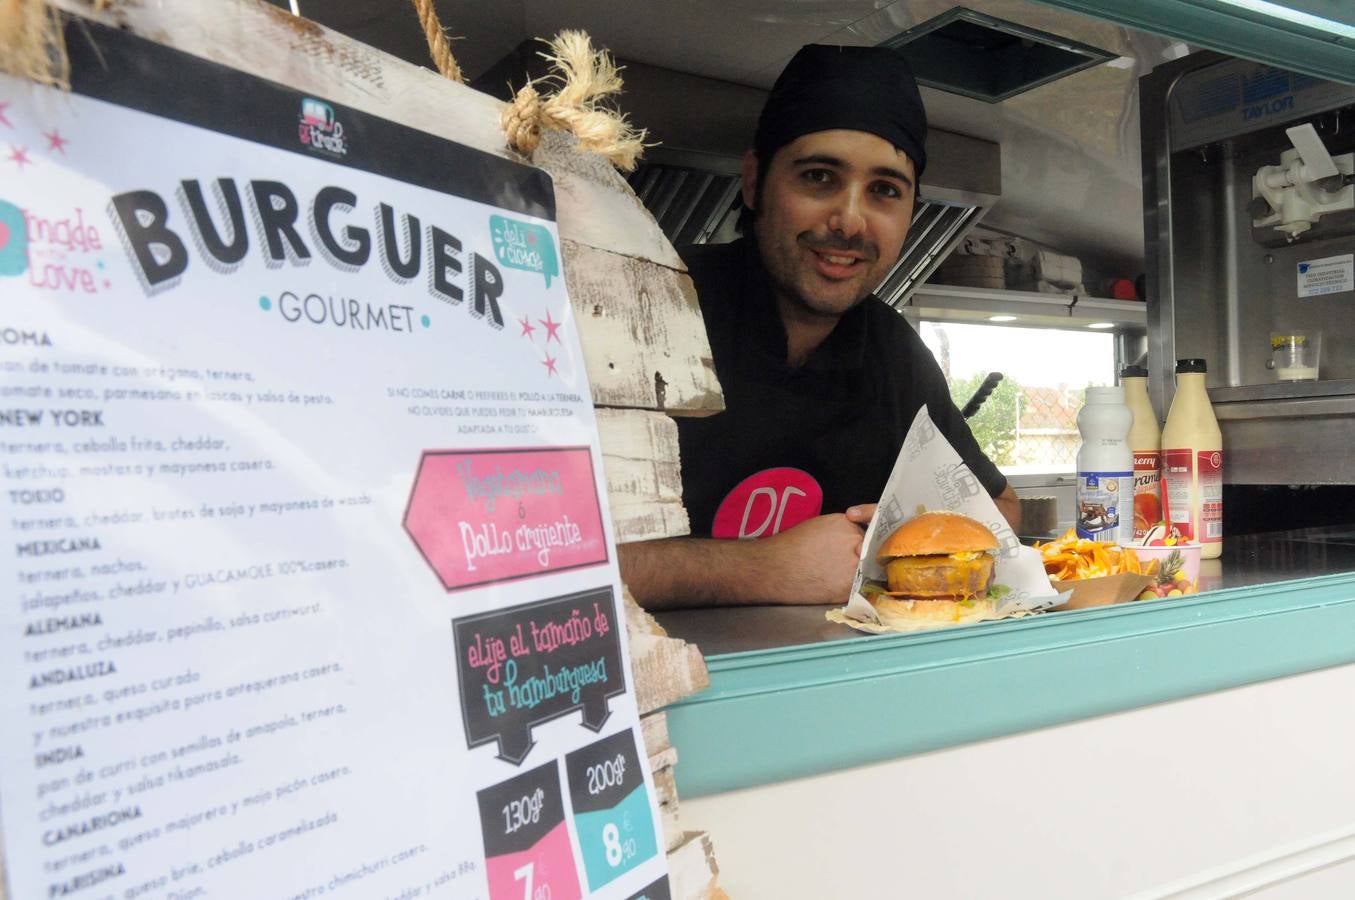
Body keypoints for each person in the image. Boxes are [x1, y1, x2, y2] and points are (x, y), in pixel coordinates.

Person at [619, 44, 1020, 610]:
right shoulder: (643, 303)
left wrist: (897, 537)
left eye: (884, 190)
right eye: (818, 177)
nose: (850, 221)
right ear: (755, 182)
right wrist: (756, 570)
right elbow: (517, 560)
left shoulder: (894, 353)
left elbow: (1002, 511)